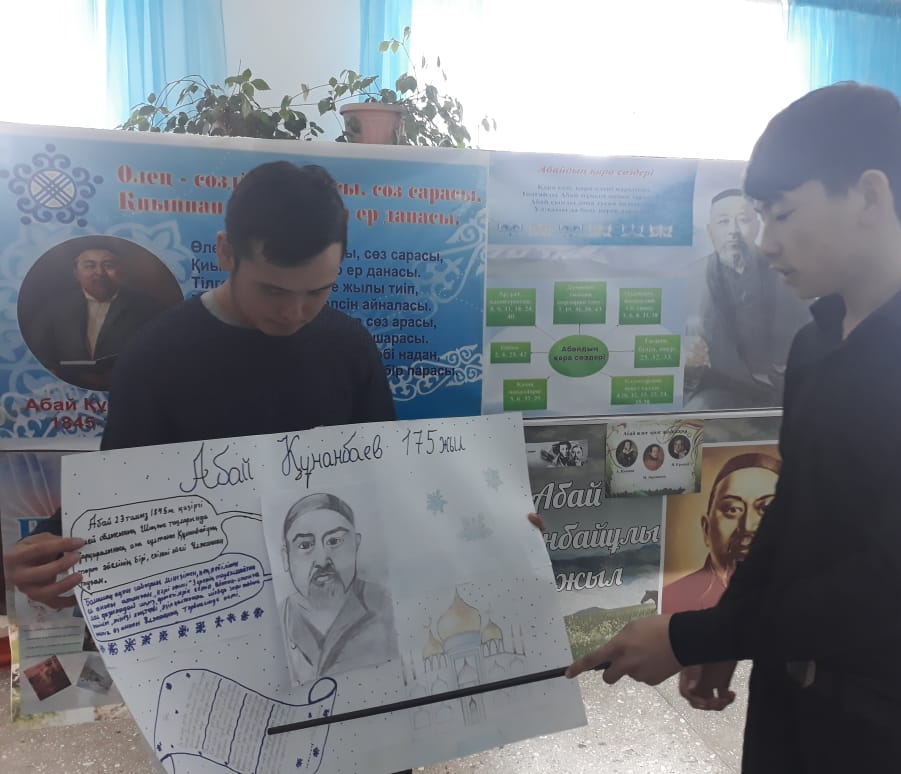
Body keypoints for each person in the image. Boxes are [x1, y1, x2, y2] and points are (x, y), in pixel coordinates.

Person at [5, 160, 539, 774]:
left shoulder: (347, 345)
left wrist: (497, 528)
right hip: (225, 662)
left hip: (360, 678)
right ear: (226, 252)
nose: (295, 312)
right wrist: (41, 551)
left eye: (319, 291)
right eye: (275, 291)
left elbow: (394, 483)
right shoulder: (157, 356)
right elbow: (121, 495)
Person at [568, 82, 901, 774]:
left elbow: (886, 585)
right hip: (785, 698)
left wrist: (694, 635)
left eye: (782, 214)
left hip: (897, 722)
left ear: (869, 195)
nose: (765, 243)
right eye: (759, 217)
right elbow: (794, 511)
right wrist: (730, 634)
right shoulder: (816, 344)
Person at [683, 189, 810, 410]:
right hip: (715, 388)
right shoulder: (691, 278)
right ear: (710, 231)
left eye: (743, 220)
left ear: (757, 226)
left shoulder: (788, 275)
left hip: (780, 390)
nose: (733, 231)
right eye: (723, 222)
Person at [280, 492, 398, 685]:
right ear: (286, 558)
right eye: (305, 545)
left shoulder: (387, 605)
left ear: (356, 545)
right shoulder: (280, 620)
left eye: (334, 541)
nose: (322, 560)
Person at [29, 247, 165, 390]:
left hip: (126, 388)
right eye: (89, 266)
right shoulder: (55, 307)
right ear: (76, 274)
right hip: (66, 391)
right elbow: (36, 351)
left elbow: (159, 355)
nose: (100, 272)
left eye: (108, 265)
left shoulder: (147, 308)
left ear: (121, 272)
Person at [663, 453, 779, 612]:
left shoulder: (807, 598)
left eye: (767, 508)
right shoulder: (671, 597)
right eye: (732, 509)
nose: (747, 526)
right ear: (706, 528)